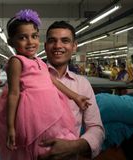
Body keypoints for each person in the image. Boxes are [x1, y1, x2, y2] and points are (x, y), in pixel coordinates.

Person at [0, 9, 90, 160]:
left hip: (49, 110)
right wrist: (11, 127)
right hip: (31, 113)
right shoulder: (16, 61)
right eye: (23, 37)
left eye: (34, 36)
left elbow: (53, 81)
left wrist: (75, 96)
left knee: (52, 141)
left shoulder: (40, 61)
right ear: (11, 42)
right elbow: (13, 93)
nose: (30, 42)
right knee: (32, 145)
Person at [38, 21, 105, 160]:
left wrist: (74, 146)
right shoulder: (28, 78)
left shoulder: (82, 85)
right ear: (45, 46)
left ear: (74, 46)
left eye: (65, 40)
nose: (58, 46)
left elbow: (96, 127)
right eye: (52, 41)